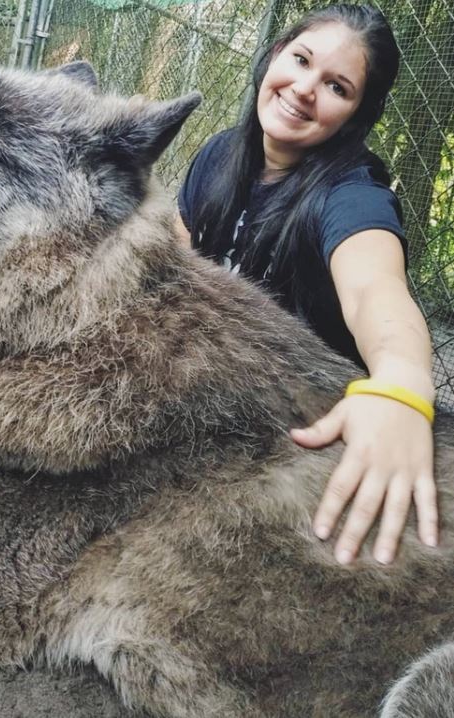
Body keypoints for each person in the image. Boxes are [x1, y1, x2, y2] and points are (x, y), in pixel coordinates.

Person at [176, 4, 437, 565]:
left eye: (337, 86)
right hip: (205, 393)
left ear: (355, 115)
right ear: (274, 56)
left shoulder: (352, 194)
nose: (303, 89)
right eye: (300, 60)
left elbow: (376, 291)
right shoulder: (221, 153)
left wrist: (402, 387)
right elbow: (173, 261)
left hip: (288, 427)